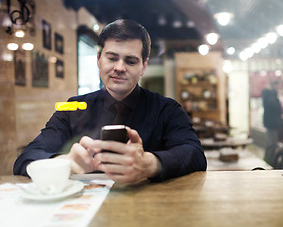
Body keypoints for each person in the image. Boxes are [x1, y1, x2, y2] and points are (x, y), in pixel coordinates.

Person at [13, 19, 207, 184]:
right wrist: (66, 162)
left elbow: (195, 154)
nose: (119, 67)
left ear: (143, 67)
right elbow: (26, 159)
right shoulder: (72, 108)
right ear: (99, 59)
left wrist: (148, 163)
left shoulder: (167, 109)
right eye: (112, 58)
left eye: (130, 61)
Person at [262, 80, 283, 163]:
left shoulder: (266, 93)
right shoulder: (271, 94)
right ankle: (271, 160)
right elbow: (273, 106)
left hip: (269, 121)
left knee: (270, 141)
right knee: (272, 142)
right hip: (272, 122)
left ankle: (268, 158)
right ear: (275, 85)